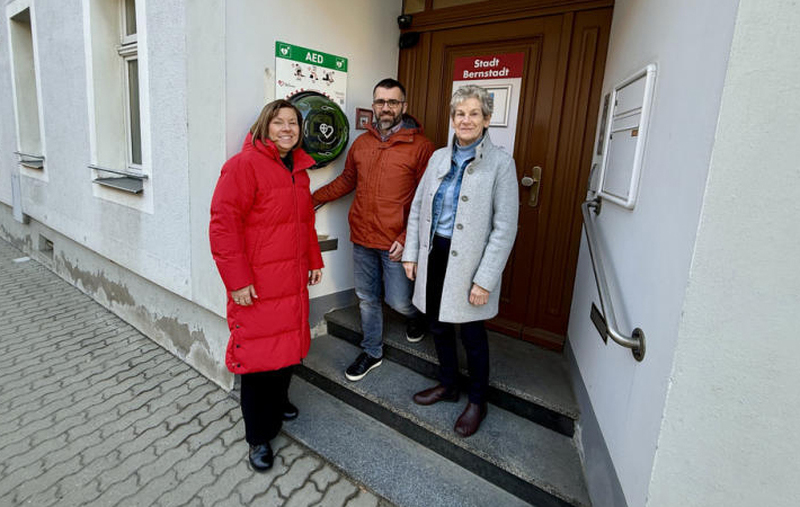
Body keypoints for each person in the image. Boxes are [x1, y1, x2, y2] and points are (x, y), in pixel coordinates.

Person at [209, 99, 324, 471]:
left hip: (291, 279)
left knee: (287, 348)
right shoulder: (243, 166)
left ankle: (278, 404)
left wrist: (315, 261)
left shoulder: (300, 170)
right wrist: (237, 281)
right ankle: (258, 437)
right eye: (279, 122)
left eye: (293, 123)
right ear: (265, 126)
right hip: (257, 285)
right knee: (259, 362)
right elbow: (223, 227)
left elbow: (304, 222)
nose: (288, 128)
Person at [402, 85, 519, 437]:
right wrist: (411, 254)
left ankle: (477, 401)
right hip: (434, 253)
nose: (465, 120)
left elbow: (505, 227)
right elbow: (419, 208)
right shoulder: (438, 157)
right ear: (452, 119)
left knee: (471, 333)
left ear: (486, 119)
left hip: (470, 264)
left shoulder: (501, 163)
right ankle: (449, 385)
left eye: (473, 113)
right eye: (459, 114)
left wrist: (485, 279)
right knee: (436, 325)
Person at [313, 78, 434, 381]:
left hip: (395, 241)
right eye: (381, 102)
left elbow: (428, 199)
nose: (386, 108)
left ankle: (417, 315)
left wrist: (407, 239)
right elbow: (346, 181)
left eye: (393, 102)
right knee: (367, 298)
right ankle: (372, 351)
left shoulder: (421, 147)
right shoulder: (362, 143)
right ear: (374, 105)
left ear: (404, 106)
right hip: (363, 237)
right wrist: (312, 198)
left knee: (398, 301)